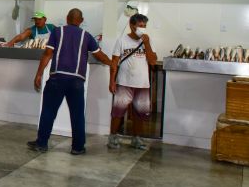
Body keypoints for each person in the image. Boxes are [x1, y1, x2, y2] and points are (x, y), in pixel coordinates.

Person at [27, 8, 112, 155]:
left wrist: (39, 74)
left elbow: (47, 54)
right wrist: (112, 63)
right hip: (76, 81)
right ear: (81, 21)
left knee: (48, 111)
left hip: (56, 78)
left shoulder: (57, 32)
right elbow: (100, 56)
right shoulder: (87, 36)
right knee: (77, 114)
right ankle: (77, 147)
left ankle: (41, 143)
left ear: (67, 18)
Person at [108, 13, 158, 150]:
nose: (143, 29)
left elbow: (153, 60)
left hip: (142, 83)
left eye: (145, 26)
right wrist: (112, 81)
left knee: (140, 113)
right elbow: (114, 62)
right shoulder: (122, 40)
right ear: (132, 25)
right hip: (124, 82)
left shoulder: (148, 40)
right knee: (118, 111)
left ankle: (136, 138)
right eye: (140, 26)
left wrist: (146, 43)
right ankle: (112, 137)